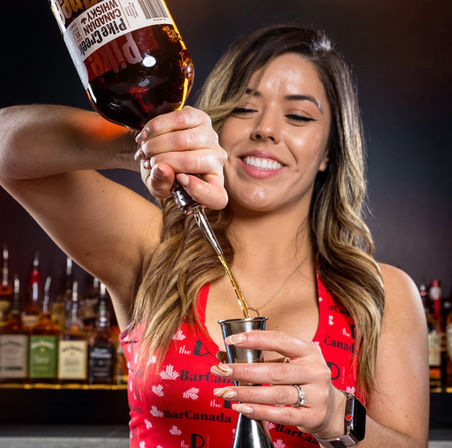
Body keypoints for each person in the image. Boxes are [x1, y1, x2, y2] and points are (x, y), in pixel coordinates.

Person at [0, 24, 428, 448]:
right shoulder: (154, 252)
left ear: (329, 152)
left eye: (297, 115)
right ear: (216, 125)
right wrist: (143, 144)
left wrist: (336, 417)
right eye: (244, 109)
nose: (266, 129)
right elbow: (7, 150)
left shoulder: (380, 294)